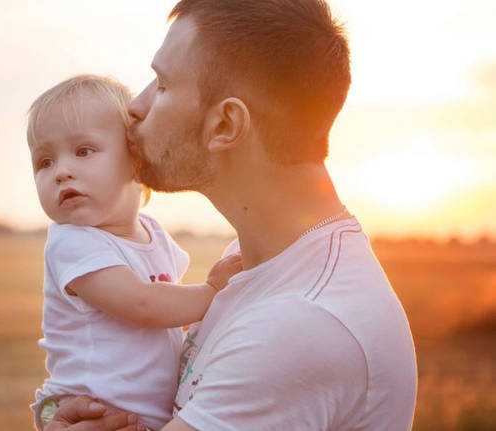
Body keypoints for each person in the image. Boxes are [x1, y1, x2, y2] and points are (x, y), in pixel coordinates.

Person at [43, 0, 418, 430]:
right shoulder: (259, 258)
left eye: (162, 85)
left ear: (225, 125)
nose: (135, 106)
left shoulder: (302, 323)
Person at [26, 75, 243, 431]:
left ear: (136, 159)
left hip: (140, 415)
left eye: (83, 151)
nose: (62, 172)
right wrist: (212, 293)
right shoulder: (73, 241)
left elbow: (171, 311)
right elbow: (143, 305)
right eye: (44, 162)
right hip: (89, 411)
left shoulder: (153, 234)